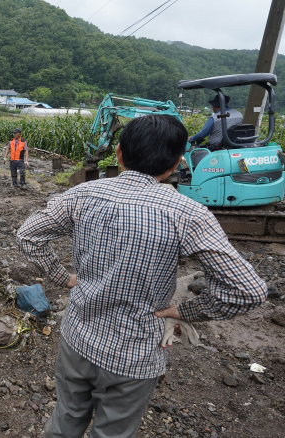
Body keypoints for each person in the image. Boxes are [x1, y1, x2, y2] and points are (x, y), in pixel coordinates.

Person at [16, 114, 267, 438]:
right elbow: (249, 290)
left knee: (64, 420)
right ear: (176, 162)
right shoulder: (186, 214)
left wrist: (64, 277)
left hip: (77, 337)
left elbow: (27, 235)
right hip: (133, 354)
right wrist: (183, 311)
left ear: (119, 154)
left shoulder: (81, 196)